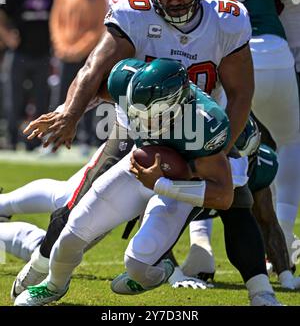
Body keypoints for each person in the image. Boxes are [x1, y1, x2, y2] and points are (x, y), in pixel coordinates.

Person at [16, 0, 280, 306]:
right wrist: (70, 112)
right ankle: (39, 270)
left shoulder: (226, 18)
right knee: (77, 204)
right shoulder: (133, 13)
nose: (174, 0)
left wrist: (216, 146)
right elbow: (93, 69)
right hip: (138, 128)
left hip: (198, 127)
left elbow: (240, 93)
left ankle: (261, 292)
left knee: (237, 205)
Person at [14, 57, 234, 306]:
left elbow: (224, 196)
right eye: (137, 112)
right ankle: (53, 285)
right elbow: (89, 86)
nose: (144, 121)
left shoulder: (205, 122)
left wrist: (162, 185)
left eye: (153, 115)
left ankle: (160, 273)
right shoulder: (123, 79)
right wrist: (66, 114)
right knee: (72, 233)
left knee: (137, 263)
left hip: (178, 185)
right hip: (136, 165)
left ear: (178, 105)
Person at [185, 0, 300, 270]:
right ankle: (284, 235)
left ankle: (200, 241)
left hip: (223, 56)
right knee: (291, 140)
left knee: (205, 145)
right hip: (273, 51)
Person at [168, 117, 300, 290]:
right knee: (166, 217)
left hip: (225, 199)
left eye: (242, 161)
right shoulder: (182, 161)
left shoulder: (259, 167)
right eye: (230, 161)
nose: (234, 170)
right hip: (194, 194)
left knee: (243, 224)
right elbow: (153, 219)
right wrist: (175, 276)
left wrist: (286, 278)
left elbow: (268, 222)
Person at [50, 0, 108, 153]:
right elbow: (56, 21)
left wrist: (78, 48)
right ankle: (54, 138)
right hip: (65, 52)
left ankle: (85, 140)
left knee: (88, 93)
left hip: (87, 53)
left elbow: (99, 28)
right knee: (60, 95)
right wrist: (61, 46)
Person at [0, 0, 53, 150]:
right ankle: (12, 140)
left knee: (41, 100)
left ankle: (35, 141)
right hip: (18, 55)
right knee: (14, 99)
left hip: (42, 54)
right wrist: (7, 36)